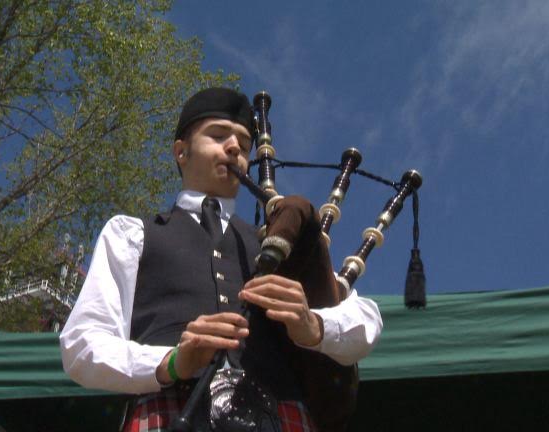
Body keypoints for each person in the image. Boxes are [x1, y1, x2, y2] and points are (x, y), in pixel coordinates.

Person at [60, 87, 383, 431]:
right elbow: (82, 344)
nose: (235, 149)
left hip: (277, 416)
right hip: (170, 412)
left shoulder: (274, 244)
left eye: (244, 146)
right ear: (180, 152)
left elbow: (365, 320)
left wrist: (314, 327)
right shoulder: (133, 234)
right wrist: (171, 362)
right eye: (217, 136)